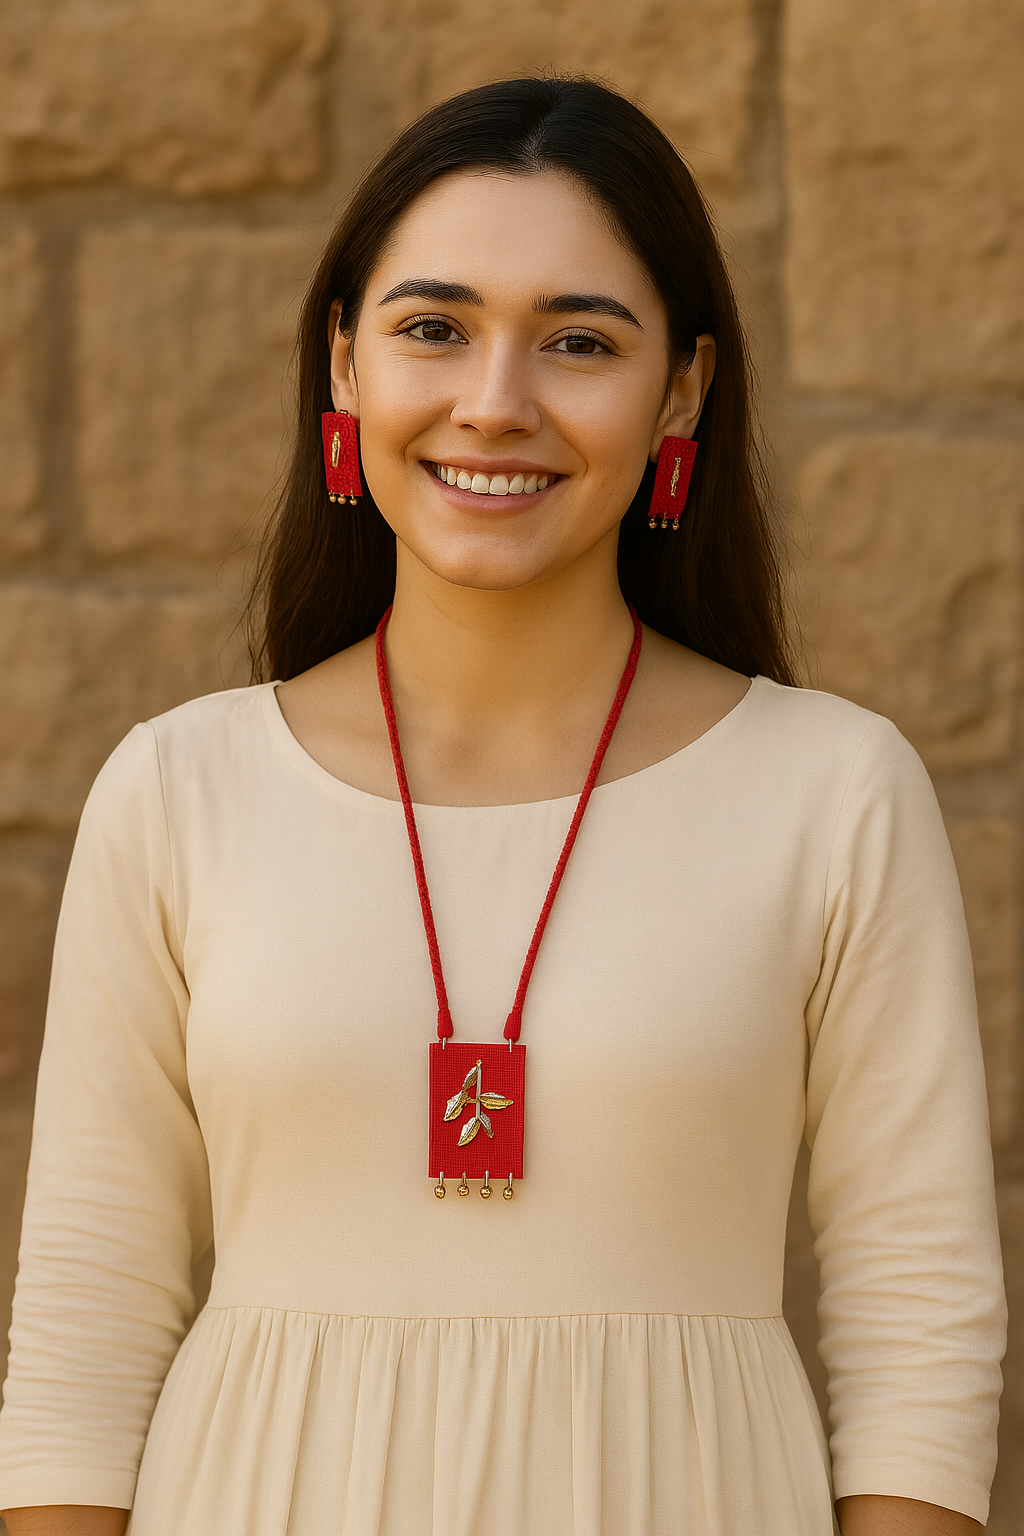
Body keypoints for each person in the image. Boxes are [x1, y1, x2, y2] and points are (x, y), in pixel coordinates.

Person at [0, 76, 1005, 1536]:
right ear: (343, 365)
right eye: (433, 328)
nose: (495, 401)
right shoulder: (178, 790)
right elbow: (84, 1331)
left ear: (684, 390)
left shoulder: (836, 792)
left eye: (578, 341)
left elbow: (918, 1330)